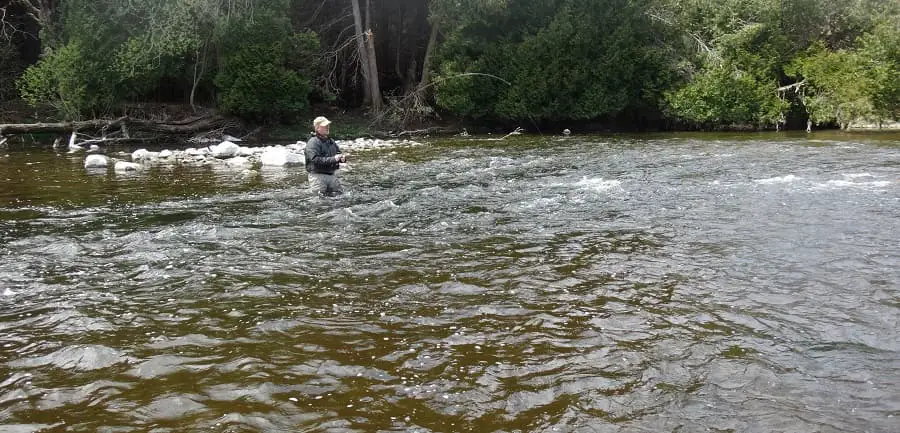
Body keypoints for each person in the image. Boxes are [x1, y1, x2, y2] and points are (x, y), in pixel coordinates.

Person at [304, 116, 347, 196]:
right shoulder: (313, 142)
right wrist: (333, 159)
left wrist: (342, 159)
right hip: (317, 177)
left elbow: (338, 153)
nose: (327, 127)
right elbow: (315, 159)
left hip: (331, 175)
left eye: (328, 125)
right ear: (317, 128)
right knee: (320, 202)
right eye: (324, 126)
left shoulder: (331, 141)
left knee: (340, 197)